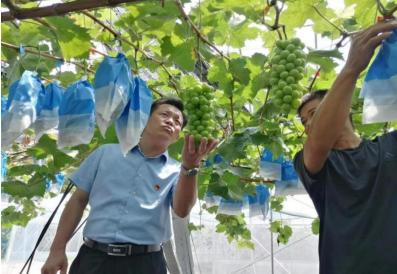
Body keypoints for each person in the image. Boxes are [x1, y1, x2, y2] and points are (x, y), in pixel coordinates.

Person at [41, 97, 218, 274]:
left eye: (177, 121)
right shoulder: (105, 153)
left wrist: (190, 166)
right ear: (145, 120)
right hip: (93, 258)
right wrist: (57, 250)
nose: (171, 121)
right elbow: (77, 201)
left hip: (146, 264)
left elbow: (182, 210)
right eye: (164, 114)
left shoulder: (176, 171)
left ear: (177, 135)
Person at [294, 21, 397, 274]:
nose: (310, 124)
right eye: (305, 122)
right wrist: (351, 68)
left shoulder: (389, 145)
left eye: (314, 114)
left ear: (343, 108)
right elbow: (318, 141)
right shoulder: (313, 162)